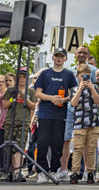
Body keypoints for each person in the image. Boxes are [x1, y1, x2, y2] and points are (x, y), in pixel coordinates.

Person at [33, 49, 78, 182]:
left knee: (57, 144)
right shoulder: (45, 73)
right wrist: (51, 98)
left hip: (60, 114)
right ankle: (42, 171)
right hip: (45, 113)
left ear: (65, 59)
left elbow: (73, 94)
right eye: (57, 56)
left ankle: (54, 170)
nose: (59, 58)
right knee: (42, 143)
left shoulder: (69, 74)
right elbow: (38, 93)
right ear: (52, 58)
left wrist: (63, 100)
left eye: (61, 56)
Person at [67, 60, 99, 184]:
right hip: (79, 122)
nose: (84, 78)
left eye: (87, 76)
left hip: (93, 121)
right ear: (77, 76)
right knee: (78, 148)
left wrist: (92, 88)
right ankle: (75, 172)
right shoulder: (73, 89)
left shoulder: (96, 87)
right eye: (82, 76)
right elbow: (73, 103)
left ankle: (91, 172)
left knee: (91, 149)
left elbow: (97, 101)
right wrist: (80, 89)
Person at [1, 69, 37, 181]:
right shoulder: (11, 90)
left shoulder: (30, 91)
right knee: (9, 147)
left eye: (24, 77)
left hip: (24, 121)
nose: (21, 79)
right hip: (10, 121)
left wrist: (25, 98)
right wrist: (14, 97)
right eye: (20, 77)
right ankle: (11, 171)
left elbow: (33, 106)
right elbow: (4, 105)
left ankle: (18, 171)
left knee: (20, 148)